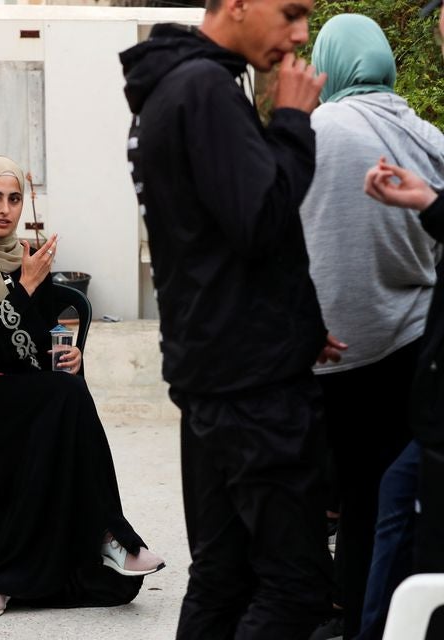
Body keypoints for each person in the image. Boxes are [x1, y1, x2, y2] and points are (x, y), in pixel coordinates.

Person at [119, 0, 342, 637]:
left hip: (220, 372)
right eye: (291, 13)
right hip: (252, 391)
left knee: (223, 578)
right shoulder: (204, 90)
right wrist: (294, 120)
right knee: (296, 588)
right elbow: (262, 220)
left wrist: (295, 321)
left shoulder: (177, 86)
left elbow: (210, 247)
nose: (300, 35)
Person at [0, 156, 165, 617]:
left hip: (28, 394)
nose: (5, 209)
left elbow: (42, 347)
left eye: (14, 199)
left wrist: (71, 358)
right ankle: (111, 536)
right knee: (64, 397)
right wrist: (22, 291)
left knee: (67, 390)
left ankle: (12, 580)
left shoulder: (28, 261)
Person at [297, 14, 444, 639]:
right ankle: (381, 616)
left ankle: (338, 611)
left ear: (330, 62)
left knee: (339, 497)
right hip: (414, 347)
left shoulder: (314, 130)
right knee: (392, 501)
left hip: (331, 354)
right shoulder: (431, 138)